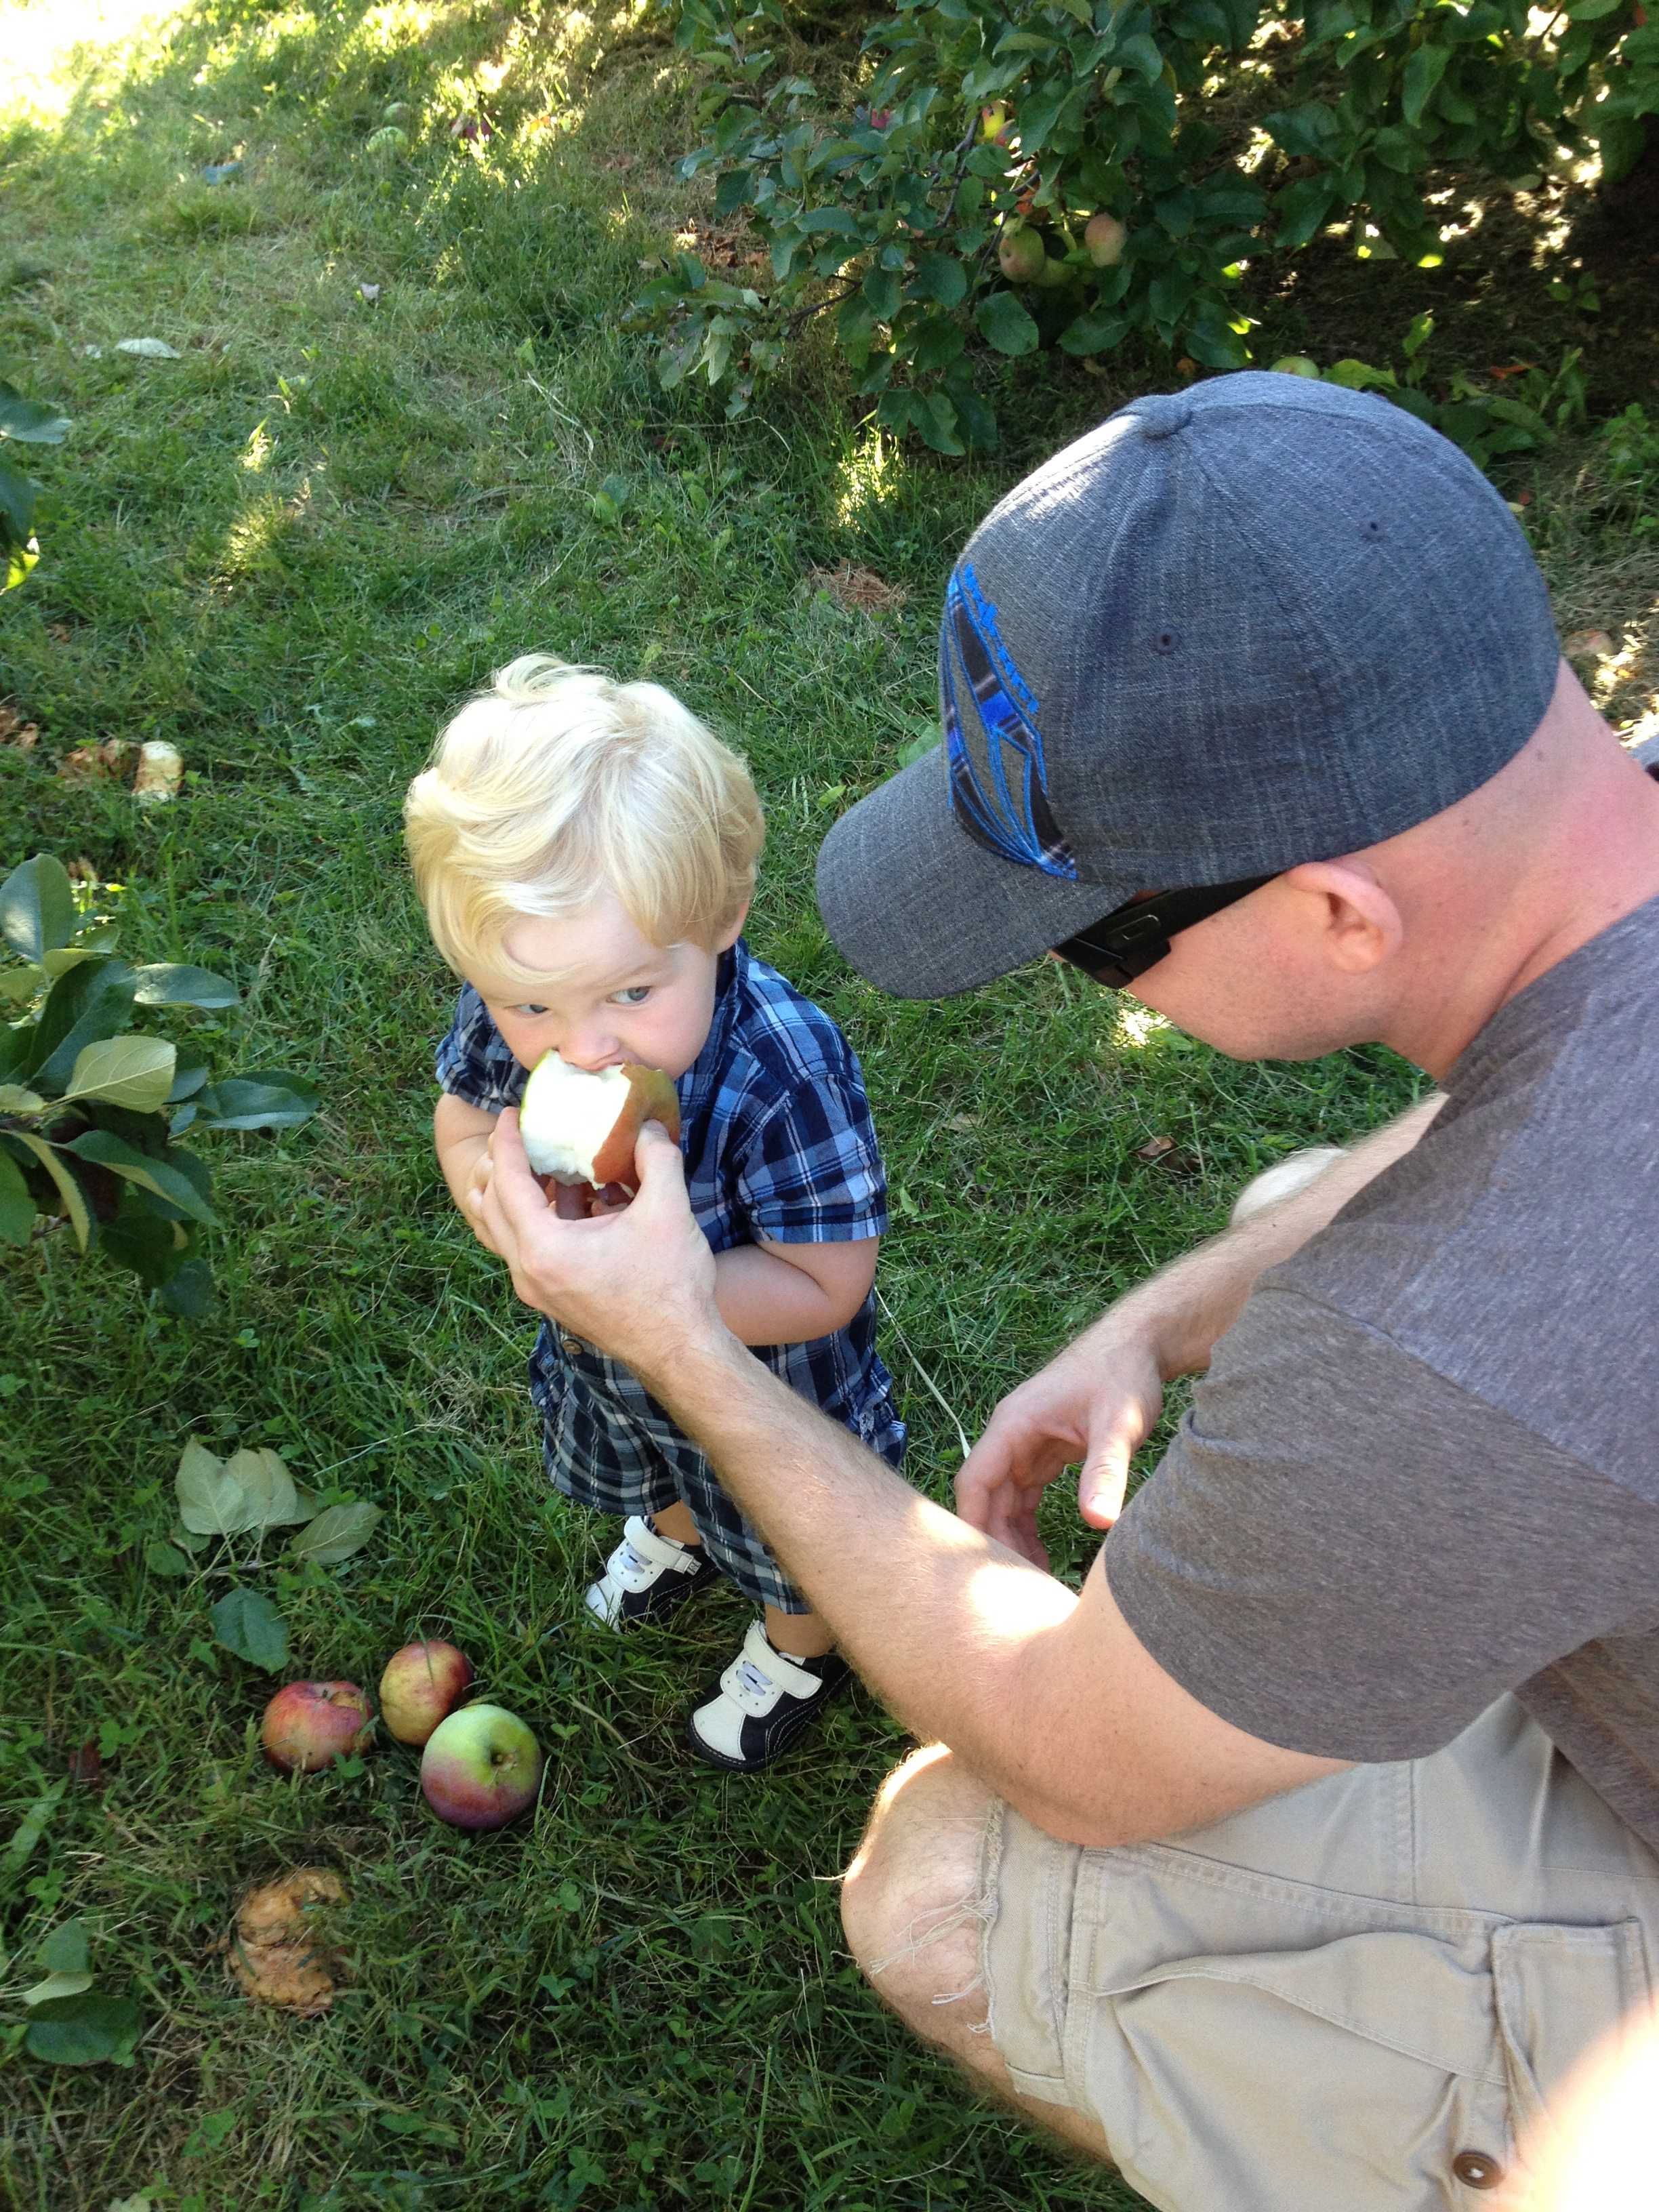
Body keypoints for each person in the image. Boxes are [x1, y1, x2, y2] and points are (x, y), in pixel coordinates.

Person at [460, 377, 1659, 2211]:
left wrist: (683, 1341)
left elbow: (1073, 1754)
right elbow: (1499, 1143)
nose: (1095, 992)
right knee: (1287, 1215)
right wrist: (1161, 1316)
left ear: (1342, 910)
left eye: (1108, 934)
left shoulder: (1441, 1355)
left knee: (943, 1882)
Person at [405, 655, 906, 1772]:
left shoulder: (785, 1069)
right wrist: (495, 1204)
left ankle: (797, 1647)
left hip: (766, 1383)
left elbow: (831, 1283)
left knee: (785, 1535)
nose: (584, 1046)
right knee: (647, 1466)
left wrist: (660, 1301)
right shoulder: (528, 1009)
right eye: (529, 1003)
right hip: (607, 1361)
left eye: (634, 993)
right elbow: (460, 1116)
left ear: (721, 918)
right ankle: (675, 1534)